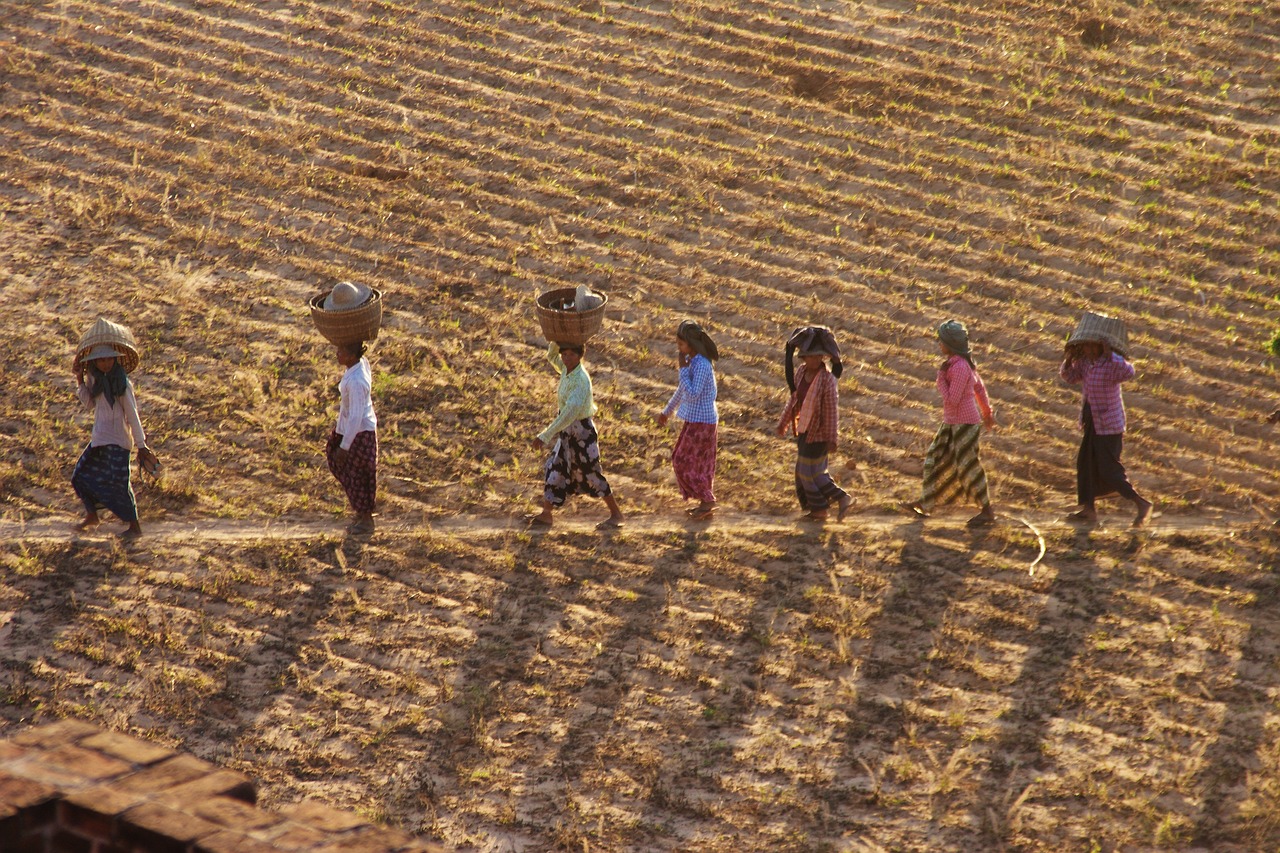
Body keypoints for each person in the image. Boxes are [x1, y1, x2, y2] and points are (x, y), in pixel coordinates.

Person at [905, 321, 997, 527]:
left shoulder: (960, 367)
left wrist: (940, 382)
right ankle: (926, 502)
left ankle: (987, 510)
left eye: (942, 341)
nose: (939, 344)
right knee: (933, 459)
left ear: (950, 344)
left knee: (968, 466)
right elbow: (980, 389)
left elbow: (953, 399)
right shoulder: (959, 364)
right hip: (952, 422)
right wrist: (987, 413)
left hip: (964, 423)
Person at [527, 341, 624, 529]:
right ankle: (546, 514)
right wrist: (556, 339)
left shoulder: (581, 380)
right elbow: (552, 356)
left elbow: (568, 414)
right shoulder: (565, 369)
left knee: (591, 473)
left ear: (580, 355)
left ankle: (616, 514)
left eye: (571, 354)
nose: (566, 358)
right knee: (555, 467)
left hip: (582, 433)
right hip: (567, 432)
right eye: (565, 354)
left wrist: (545, 435)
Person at [1059, 339, 1152, 527]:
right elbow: (1069, 377)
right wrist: (1068, 359)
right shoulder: (1085, 363)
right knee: (1086, 464)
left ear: (1103, 347)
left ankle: (1141, 503)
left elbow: (1129, 372)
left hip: (1110, 425)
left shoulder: (1110, 364)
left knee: (1108, 468)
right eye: (1088, 346)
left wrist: (1112, 356)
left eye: (1095, 346)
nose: (1091, 350)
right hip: (1092, 421)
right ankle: (1088, 510)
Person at [72, 341, 156, 539]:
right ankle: (92, 515)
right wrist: (79, 380)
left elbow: (132, 415)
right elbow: (90, 404)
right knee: (80, 475)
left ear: (116, 359)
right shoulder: (95, 380)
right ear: (94, 362)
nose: (106, 363)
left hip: (119, 440)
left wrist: (142, 445)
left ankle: (134, 525)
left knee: (119, 483)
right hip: (100, 438)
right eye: (101, 359)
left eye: (109, 359)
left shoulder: (123, 384)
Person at [775, 326, 853, 522]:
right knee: (814, 474)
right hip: (804, 430)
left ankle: (821, 509)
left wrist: (831, 438)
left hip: (818, 434)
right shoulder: (801, 373)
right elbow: (794, 400)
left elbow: (831, 411)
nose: (815, 359)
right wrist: (784, 422)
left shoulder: (827, 380)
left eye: (819, 356)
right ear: (803, 357)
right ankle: (839, 500)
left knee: (806, 472)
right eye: (811, 356)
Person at [658, 320, 719, 520]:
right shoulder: (693, 362)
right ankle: (705, 503)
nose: (679, 349)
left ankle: (707, 500)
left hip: (703, 422)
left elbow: (692, 393)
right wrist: (667, 412)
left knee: (682, 460)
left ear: (692, 345)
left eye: (681, 345)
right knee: (698, 463)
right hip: (695, 421)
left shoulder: (701, 365)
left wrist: (682, 370)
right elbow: (683, 390)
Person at [328, 340, 378, 534]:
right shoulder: (360, 365)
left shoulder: (356, 381)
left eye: (341, 350)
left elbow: (356, 415)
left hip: (359, 433)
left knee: (357, 474)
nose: (337, 354)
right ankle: (362, 513)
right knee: (353, 473)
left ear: (351, 355)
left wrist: (345, 445)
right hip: (355, 430)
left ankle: (366, 520)